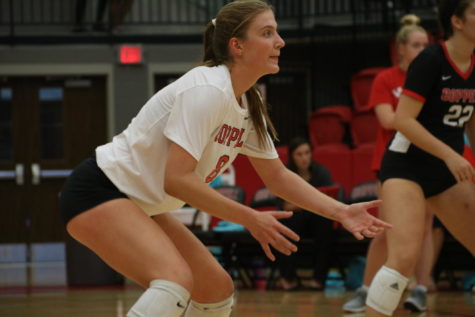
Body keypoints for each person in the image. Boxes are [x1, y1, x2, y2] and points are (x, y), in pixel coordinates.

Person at [59, 1, 390, 316]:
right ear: (237, 46)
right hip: (100, 191)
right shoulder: (207, 89)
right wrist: (250, 217)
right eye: (267, 32)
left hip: (141, 203)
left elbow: (277, 177)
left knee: (215, 290)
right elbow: (176, 178)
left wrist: (341, 211)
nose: (281, 41)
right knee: (174, 281)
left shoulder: (248, 104)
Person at [365, 0, 475, 316]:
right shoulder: (431, 60)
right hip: (406, 166)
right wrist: (451, 156)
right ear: (456, 21)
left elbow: (471, 120)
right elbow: (402, 120)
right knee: (402, 258)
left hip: (446, 171)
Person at [343, 14, 435, 313]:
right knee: (383, 226)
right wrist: (414, 119)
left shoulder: (434, 78)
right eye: (417, 45)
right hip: (394, 161)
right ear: (401, 49)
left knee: (425, 227)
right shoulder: (386, 79)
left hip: (428, 158)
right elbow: (386, 119)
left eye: (426, 44)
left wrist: (409, 120)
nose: (423, 50)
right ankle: (367, 289)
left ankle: (420, 289)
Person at [276, 137, 336, 291]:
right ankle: (288, 278)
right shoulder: (286, 174)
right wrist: (313, 202)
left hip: (316, 218)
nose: (304, 158)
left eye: (307, 153)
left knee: (325, 224)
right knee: (286, 222)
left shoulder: (321, 172)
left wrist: (303, 203)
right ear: (292, 156)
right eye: (299, 154)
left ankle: (318, 279)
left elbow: (329, 199)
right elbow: (286, 206)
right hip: (296, 218)